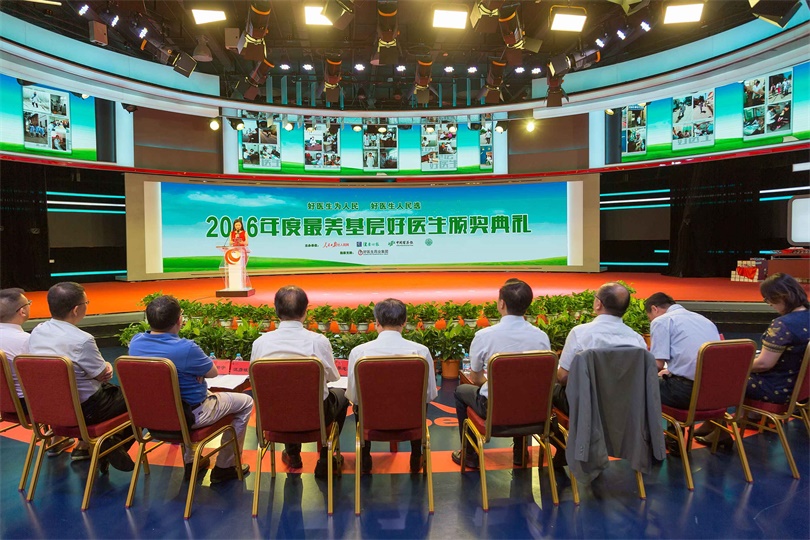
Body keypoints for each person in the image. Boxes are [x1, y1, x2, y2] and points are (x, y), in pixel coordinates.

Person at [128, 295, 254, 483]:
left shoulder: (136, 342)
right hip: (190, 415)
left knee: (182, 395)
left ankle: (192, 460)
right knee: (246, 402)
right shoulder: (186, 348)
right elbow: (212, 372)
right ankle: (226, 466)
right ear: (179, 320)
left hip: (149, 415)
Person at [28, 282, 135, 471]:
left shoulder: (37, 331)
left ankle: (97, 445)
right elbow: (103, 375)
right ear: (76, 309)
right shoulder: (82, 340)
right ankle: (110, 446)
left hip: (47, 408)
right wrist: (107, 365)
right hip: (87, 409)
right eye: (87, 302)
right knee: (140, 399)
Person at [696, 273, 809, 448]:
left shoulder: (783, 325)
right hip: (798, 387)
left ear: (780, 297)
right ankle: (716, 423)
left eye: (768, 300)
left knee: (722, 377)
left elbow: (764, 363)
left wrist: (737, 366)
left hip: (777, 389)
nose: (769, 304)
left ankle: (720, 430)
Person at [250, 286, 349, 479]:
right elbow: (332, 377)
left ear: (276, 310)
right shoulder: (318, 341)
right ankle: (325, 459)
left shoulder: (260, 343)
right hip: (316, 415)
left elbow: (256, 379)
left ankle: (293, 454)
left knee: (284, 394)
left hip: (274, 416)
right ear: (305, 311)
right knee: (342, 397)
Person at [451, 279, 551, 469]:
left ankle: (470, 453)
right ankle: (520, 453)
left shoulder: (484, 336)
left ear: (502, 304)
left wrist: (496, 386)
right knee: (524, 387)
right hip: (533, 408)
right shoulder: (541, 337)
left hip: (493, 407)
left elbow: (475, 378)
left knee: (461, 391)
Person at [346, 298, 438, 474]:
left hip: (372, 423)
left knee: (360, 404)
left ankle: (365, 457)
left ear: (377, 322)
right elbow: (429, 394)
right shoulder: (421, 352)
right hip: (411, 422)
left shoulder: (359, 353)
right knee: (419, 403)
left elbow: (354, 397)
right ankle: (416, 456)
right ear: (404, 322)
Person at [0, 288, 76, 456]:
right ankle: (81, 442)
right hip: (27, 405)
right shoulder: (27, 341)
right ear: (22, 311)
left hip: (4, 402)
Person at [553, 282, 647, 416]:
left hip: (587, 406)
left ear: (598, 304)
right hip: (624, 407)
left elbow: (563, 377)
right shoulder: (637, 340)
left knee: (552, 388)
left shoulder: (580, 333)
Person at [645, 292, 720, 410]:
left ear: (654, 309)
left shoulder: (661, 321)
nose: (651, 321)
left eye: (650, 318)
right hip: (716, 392)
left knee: (638, 386)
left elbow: (657, 365)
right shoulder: (705, 320)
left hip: (686, 393)